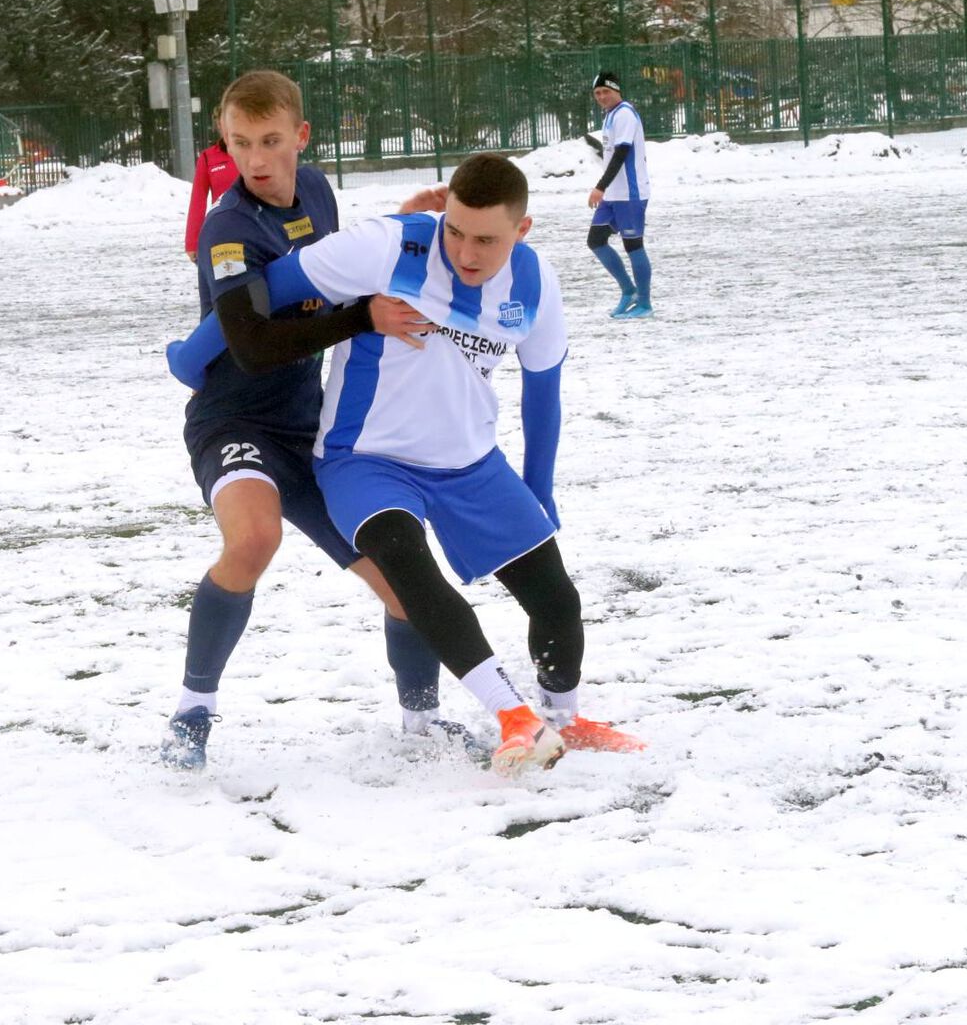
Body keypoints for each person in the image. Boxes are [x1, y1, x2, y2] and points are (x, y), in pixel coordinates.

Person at [170, 155, 645, 777]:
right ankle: (510, 716)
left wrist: (539, 491)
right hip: (365, 459)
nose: (467, 252)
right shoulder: (386, 246)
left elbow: (543, 390)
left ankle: (562, 719)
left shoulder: (534, 284)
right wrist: (188, 358)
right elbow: (265, 291)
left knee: (556, 600)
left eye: (487, 239)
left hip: (469, 463)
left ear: (521, 231)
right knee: (395, 564)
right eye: (455, 231)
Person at [160, 69, 441, 772]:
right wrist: (359, 316)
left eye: (271, 141)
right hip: (234, 423)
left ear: (301, 137)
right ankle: (192, 713)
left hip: (312, 428)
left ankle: (422, 724)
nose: (255, 159)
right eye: (240, 143)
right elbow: (251, 345)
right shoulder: (227, 229)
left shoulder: (316, 191)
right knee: (254, 539)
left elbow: (334, 276)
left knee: (406, 580)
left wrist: (402, 229)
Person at [587, 71, 653, 319]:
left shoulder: (624, 113)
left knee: (633, 245)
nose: (602, 96)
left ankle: (645, 304)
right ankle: (629, 291)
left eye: (606, 91)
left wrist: (600, 186)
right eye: (597, 93)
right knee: (596, 240)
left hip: (630, 194)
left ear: (617, 91)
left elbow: (622, 153)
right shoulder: (610, 115)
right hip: (614, 195)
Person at [183, 134, 239, 258]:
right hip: (223, 235)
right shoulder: (208, 157)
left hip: (259, 231)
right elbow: (198, 200)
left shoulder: (256, 152)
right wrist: (192, 242)